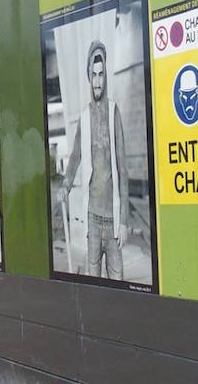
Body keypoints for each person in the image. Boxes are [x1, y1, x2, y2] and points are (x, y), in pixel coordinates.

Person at [58, 40, 129, 280]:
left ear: (106, 76)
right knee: (93, 285)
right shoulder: (84, 117)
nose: (98, 80)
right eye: (93, 75)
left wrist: (125, 221)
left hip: (113, 219)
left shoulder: (114, 111)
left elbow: (123, 168)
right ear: (89, 77)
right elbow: (75, 156)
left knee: (118, 284)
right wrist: (66, 186)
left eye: (101, 74)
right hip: (93, 219)